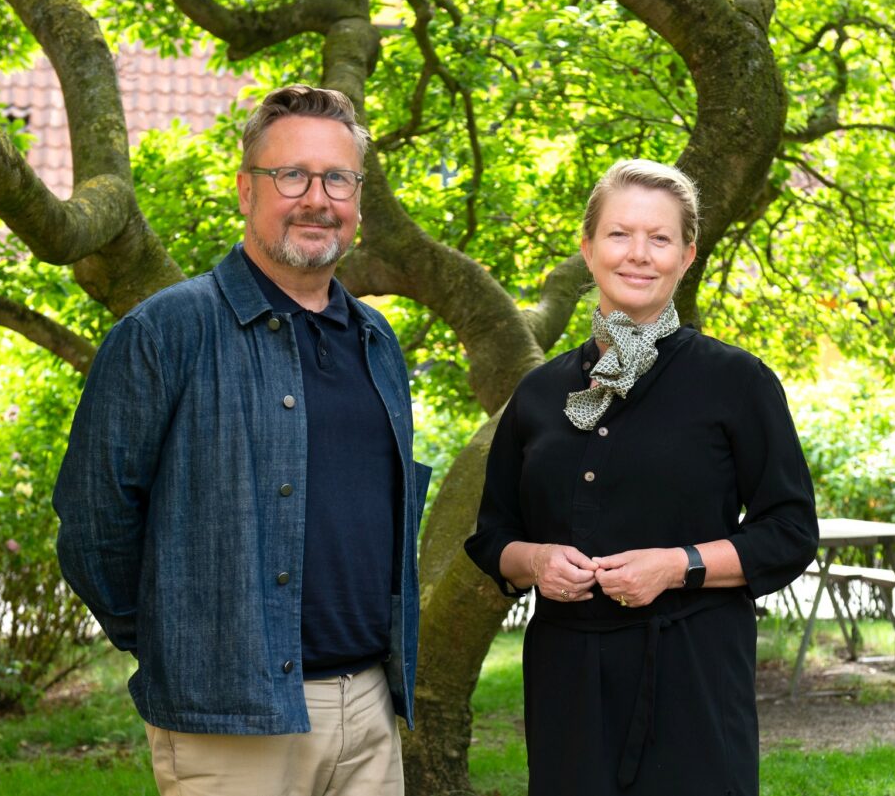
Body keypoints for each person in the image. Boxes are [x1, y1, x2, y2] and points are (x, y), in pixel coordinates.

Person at [54, 85, 431, 796]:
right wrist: (184, 642)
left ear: (358, 197)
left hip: (370, 711)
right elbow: (93, 527)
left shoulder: (377, 341)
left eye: (338, 179)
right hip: (227, 723)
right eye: (291, 175)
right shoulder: (166, 332)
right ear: (245, 190)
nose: (316, 198)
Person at [464, 159, 818, 796]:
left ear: (686, 257)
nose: (639, 255)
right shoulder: (540, 392)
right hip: (567, 683)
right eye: (620, 234)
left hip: (695, 677)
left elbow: (790, 532)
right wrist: (537, 560)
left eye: (660, 239)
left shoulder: (736, 382)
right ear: (588, 249)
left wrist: (677, 565)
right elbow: (493, 537)